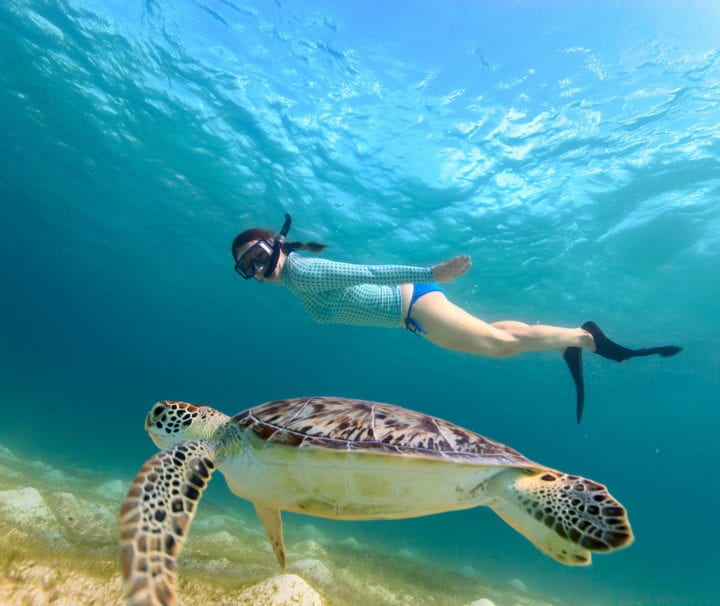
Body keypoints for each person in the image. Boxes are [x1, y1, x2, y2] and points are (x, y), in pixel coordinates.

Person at [231, 214, 681, 423]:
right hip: (412, 310)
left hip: (411, 305)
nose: (256, 269)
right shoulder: (295, 279)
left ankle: (584, 339)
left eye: (255, 255)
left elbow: (367, 272)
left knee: (498, 348)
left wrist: (433, 272)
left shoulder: (302, 271)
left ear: (275, 245)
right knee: (498, 336)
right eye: (245, 267)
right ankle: (570, 340)